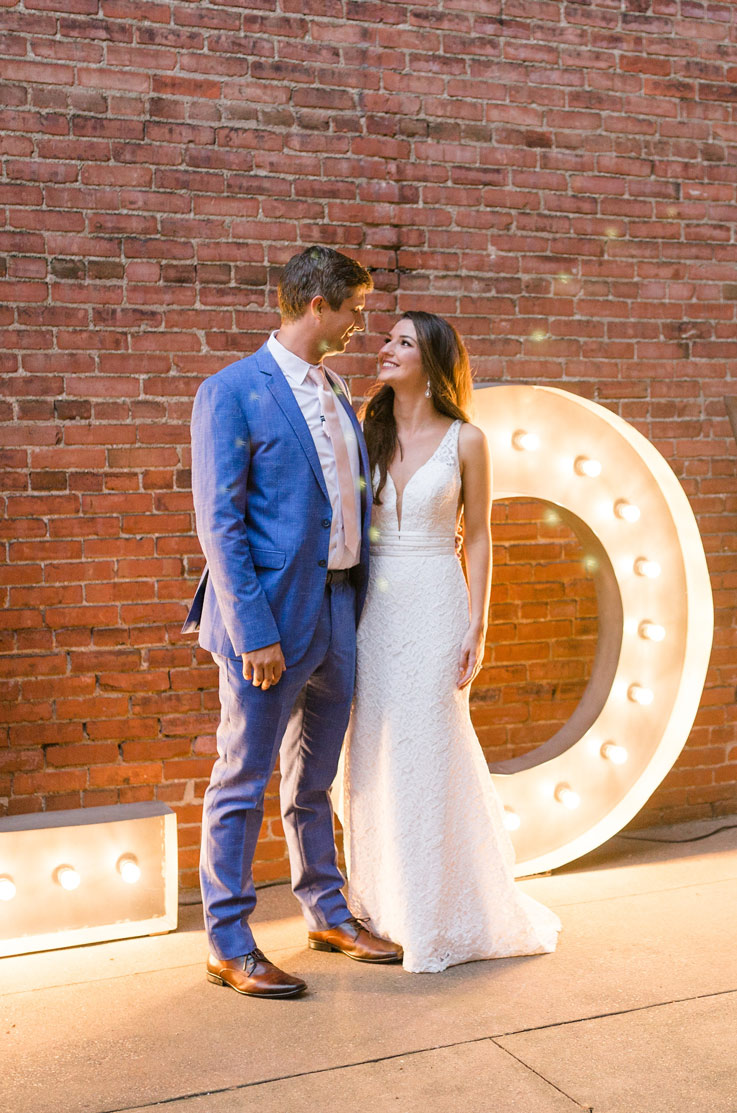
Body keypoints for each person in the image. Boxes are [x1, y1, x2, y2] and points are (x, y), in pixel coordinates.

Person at [183, 246, 402, 1000]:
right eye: (354, 308)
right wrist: (254, 630)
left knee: (316, 778)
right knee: (241, 778)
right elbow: (221, 522)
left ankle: (327, 911)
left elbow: (344, 497)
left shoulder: (337, 388)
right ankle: (229, 940)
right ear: (318, 304)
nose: (358, 323)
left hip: (340, 607)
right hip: (269, 621)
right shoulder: (231, 391)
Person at [333, 311, 561, 973]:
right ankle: (381, 904)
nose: (386, 348)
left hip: (437, 598)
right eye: (386, 338)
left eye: (403, 341)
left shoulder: (467, 439)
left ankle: (439, 907)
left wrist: (476, 624)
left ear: (432, 362)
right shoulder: (362, 428)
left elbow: (481, 533)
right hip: (373, 607)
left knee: (432, 742)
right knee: (373, 744)